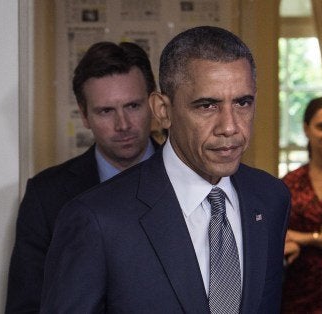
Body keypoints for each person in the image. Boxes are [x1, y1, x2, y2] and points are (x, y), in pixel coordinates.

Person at [40, 26, 291, 313]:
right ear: (163, 110)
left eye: (242, 102)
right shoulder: (96, 219)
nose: (230, 127)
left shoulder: (271, 198)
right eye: (207, 106)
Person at [6, 41, 159, 313]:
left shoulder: (191, 180)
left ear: (154, 103)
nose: (123, 124)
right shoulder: (46, 196)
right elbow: (26, 306)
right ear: (84, 115)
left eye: (133, 106)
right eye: (106, 111)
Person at [282, 96, 322, 313]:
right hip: (296, 290)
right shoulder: (290, 183)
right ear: (307, 129)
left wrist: (306, 238)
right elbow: (278, 235)